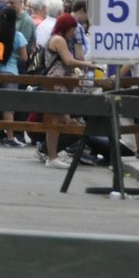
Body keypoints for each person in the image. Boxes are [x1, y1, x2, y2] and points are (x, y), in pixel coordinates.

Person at [41, 13, 96, 168]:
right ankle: (51, 156)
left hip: (57, 82)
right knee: (58, 119)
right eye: (72, 29)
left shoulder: (54, 39)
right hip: (58, 82)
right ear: (67, 28)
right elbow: (68, 60)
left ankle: (52, 155)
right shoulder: (59, 40)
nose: (73, 33)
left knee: (57, 119)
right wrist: (88, 64)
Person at [0, 3, 29, 147]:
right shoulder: (18, 36)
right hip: (10, 73)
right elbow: (24, 58)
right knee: (8, 107)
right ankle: (10, 138)